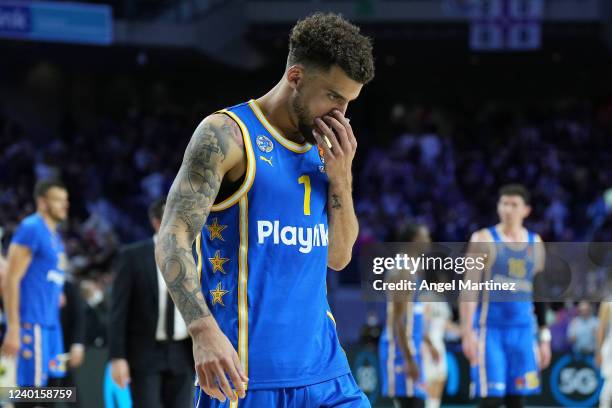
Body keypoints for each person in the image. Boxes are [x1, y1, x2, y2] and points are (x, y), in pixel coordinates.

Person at [154, 12, 374, 408]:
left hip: (327, 375)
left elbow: (339, 258)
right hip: (244, 380)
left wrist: (342, 178)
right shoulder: (226, 134)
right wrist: (202, 331)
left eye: (349, 102)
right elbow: (173, 235)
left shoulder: (325, 149)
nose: (341, 114)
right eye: (334, 97)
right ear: (296, 77)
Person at [460, 184, 551, 408]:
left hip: (523, 331)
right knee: (490, 400)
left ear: (526, 210)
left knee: (517, 400)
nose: (508, 209)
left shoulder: (535, 243)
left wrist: (544, 338)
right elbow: (469, 288)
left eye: (514, 204)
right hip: (490, 330)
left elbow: (539, 293)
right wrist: (467, 332)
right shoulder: (484, 239)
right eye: (504, 203)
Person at [109, 197, 194, 408]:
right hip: (145, 353)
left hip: (184, 352)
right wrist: (117, 357)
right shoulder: (132, 256)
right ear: (156, 222)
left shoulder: (196, 255)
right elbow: (118, 311)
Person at [1, 179, 69, 389]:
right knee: (31, 393)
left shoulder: (55, 237)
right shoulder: (32, 227)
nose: (64, 205)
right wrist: (14, 328)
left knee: (55, 391)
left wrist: (57, 291)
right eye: (58, 200)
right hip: (32, 323)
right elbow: (11, 277)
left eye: (66, 200)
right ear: (42, 202)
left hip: (52, 325)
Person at [379, 223, 431, 408]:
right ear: (412, 242)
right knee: (412, 403)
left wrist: (428, 342)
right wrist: (409, 360)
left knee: (417, 402)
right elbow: (397, 320)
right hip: (400, 352)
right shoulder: (401, 270)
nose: (428, 242)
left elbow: (412, 314)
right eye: (424, 238)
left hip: (411, 347)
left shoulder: (414, 269)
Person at [596, 301, 612, 408]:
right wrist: (598, 351)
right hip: (610, 350)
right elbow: (601, 328)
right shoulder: (608, 302)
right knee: (610, 382)